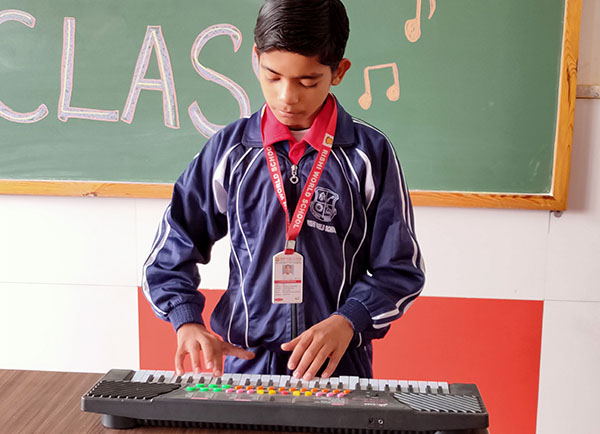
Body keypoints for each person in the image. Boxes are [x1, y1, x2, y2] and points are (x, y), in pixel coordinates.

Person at [142, 0, 425, 382]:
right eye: (273, 76)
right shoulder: (230, 152)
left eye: (307, 81)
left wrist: (349, 320)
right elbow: (172, 247)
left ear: (339, 72)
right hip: (245, 364)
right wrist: (186, 321)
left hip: (337, 368)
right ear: (256, 59)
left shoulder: (368, 155)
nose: (287, 97)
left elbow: (400, 269)